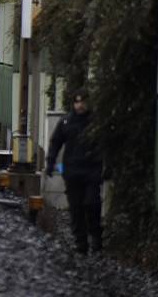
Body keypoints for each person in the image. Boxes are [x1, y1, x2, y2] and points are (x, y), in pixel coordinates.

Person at [45, 89, 104, 254]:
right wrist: (50, 162)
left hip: (92, 170)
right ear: (73, 103)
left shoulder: (95, 122)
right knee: (76, 208)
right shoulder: (66, 122)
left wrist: (107, 167)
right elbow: (56, 142)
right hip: (72, 171)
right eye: (77, 102)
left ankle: (96, 237)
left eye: (83, 102)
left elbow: (105, 145)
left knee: (92, 203)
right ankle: (81, 243)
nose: (80, 105)